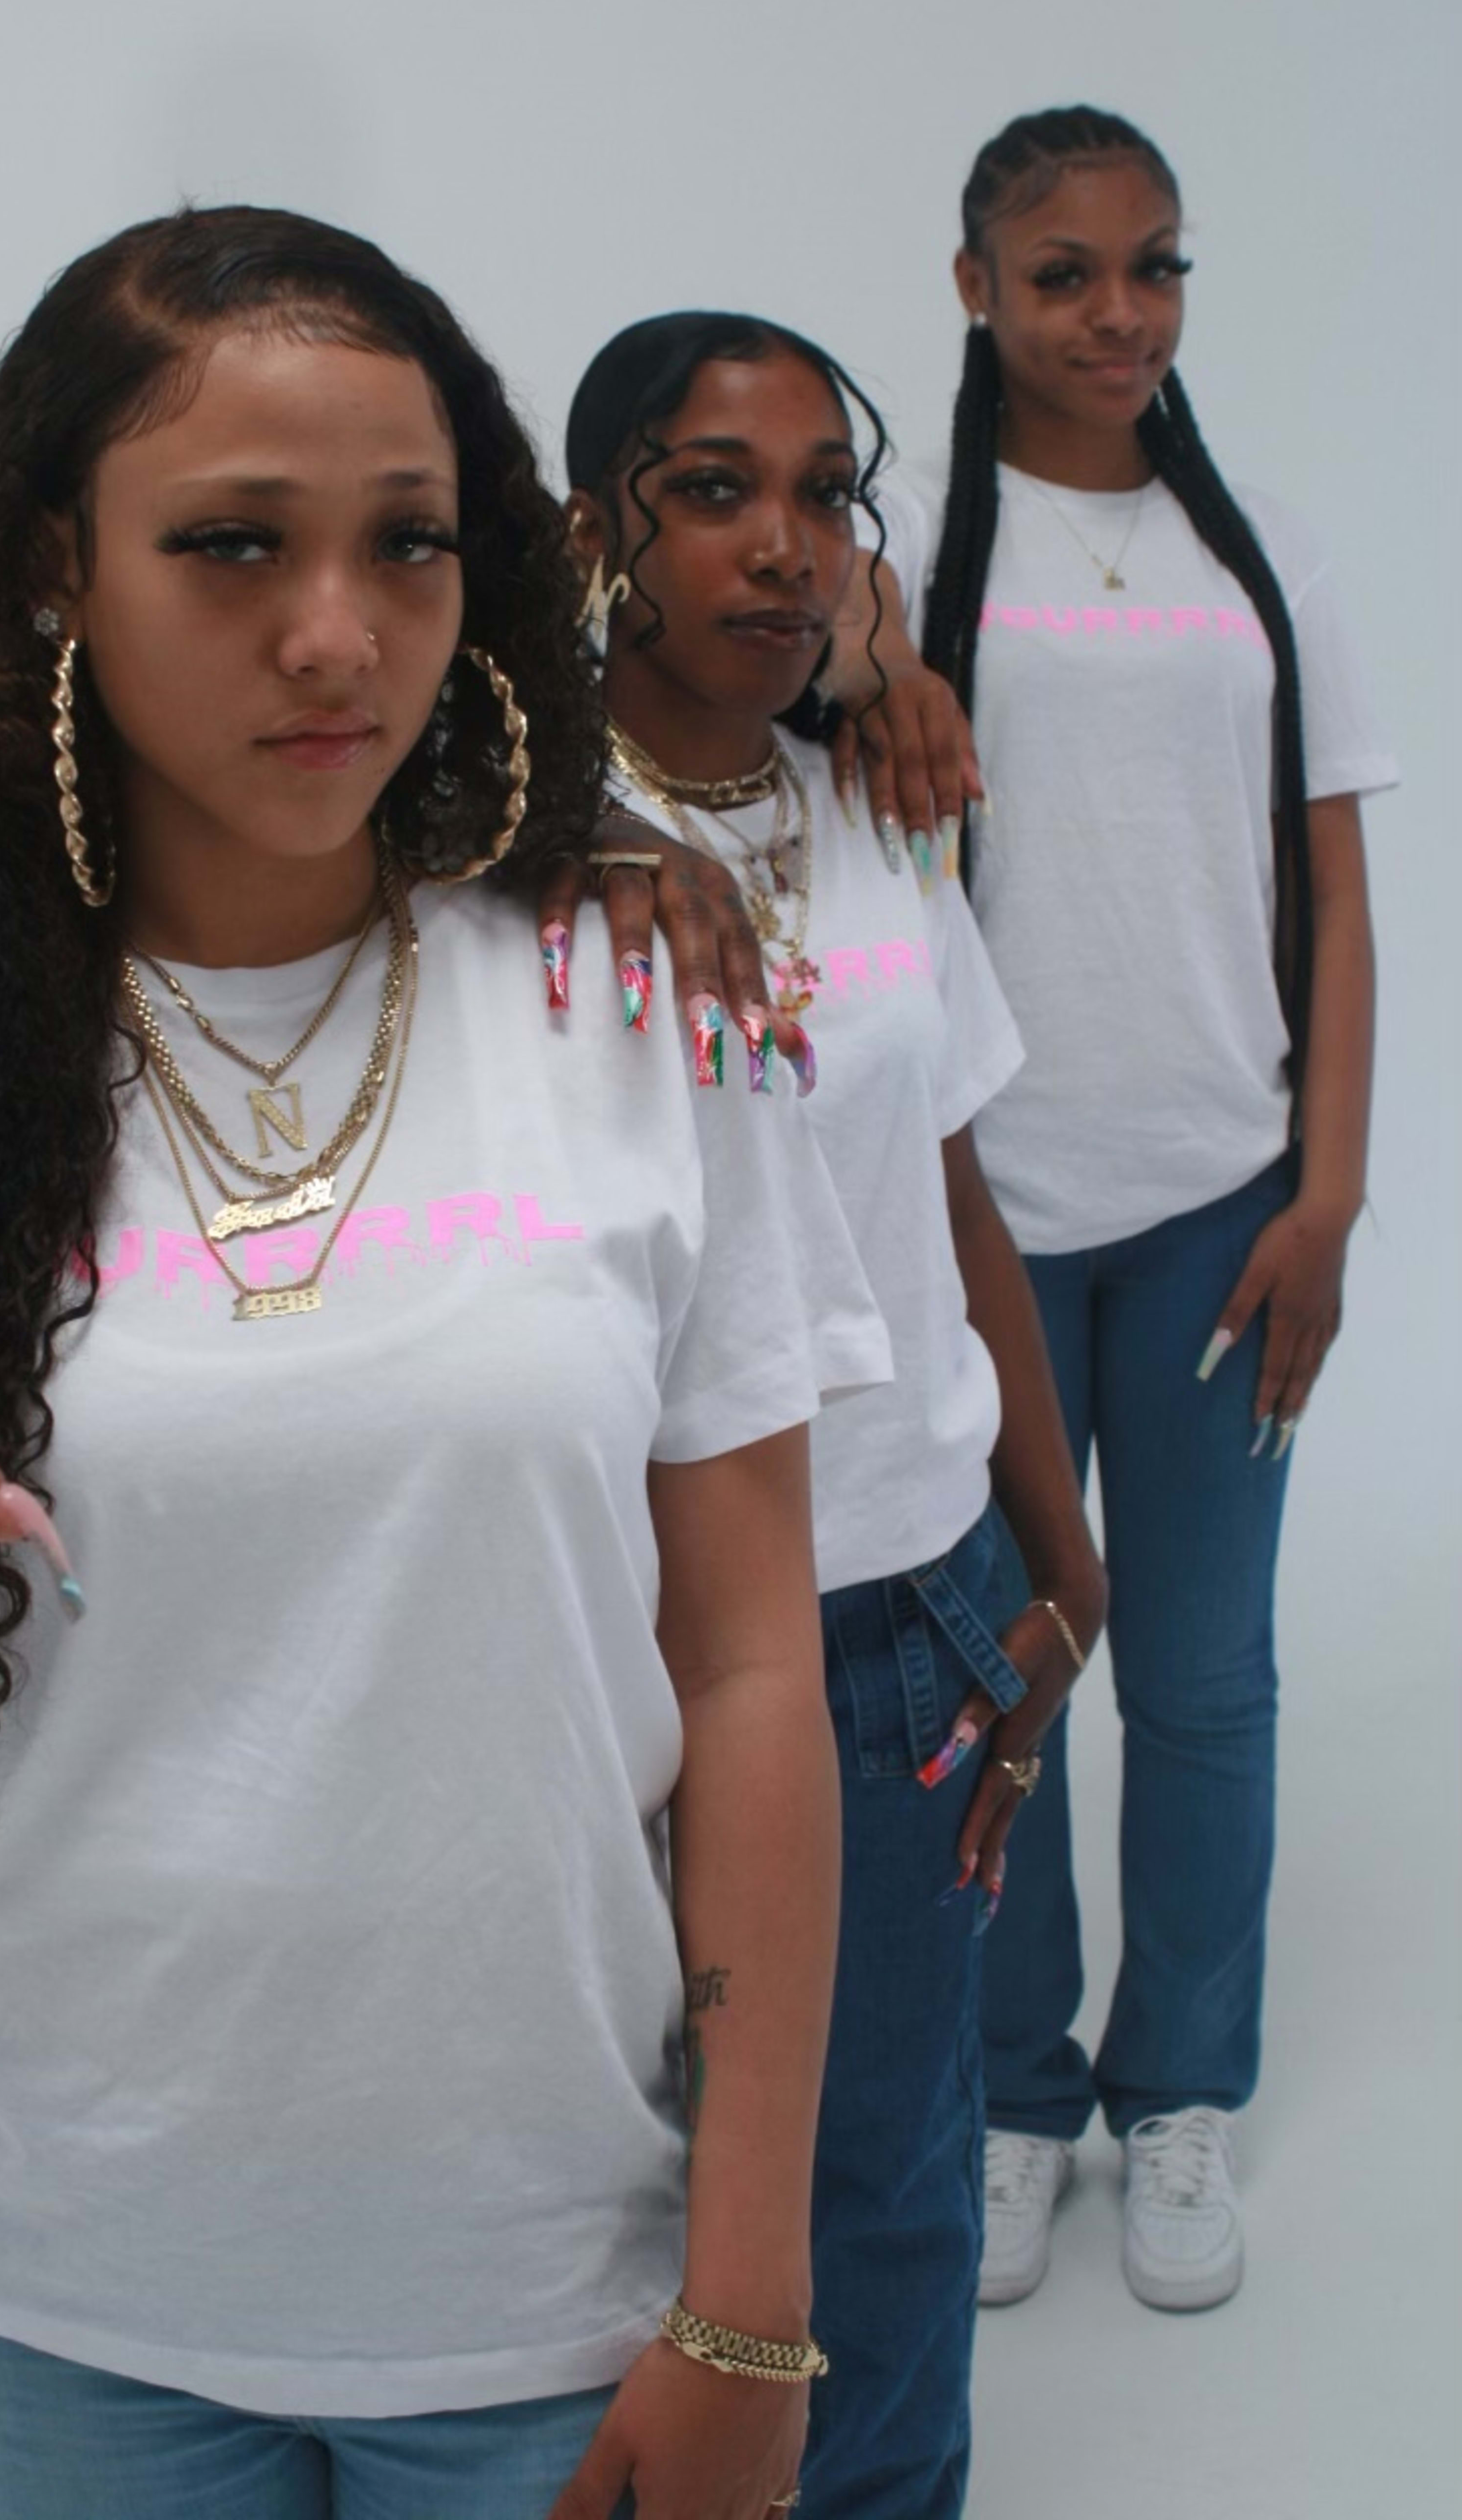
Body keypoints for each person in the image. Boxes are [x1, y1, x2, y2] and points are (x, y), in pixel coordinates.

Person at [0, 206, 899, 2520]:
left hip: (540, 2301)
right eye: (228, 545)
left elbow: (756, 1672)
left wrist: (748, 2299)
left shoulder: (640, 1007)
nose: (339, 637)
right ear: (48, 583)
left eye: (409, 545)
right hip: (54, 2303)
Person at [838, 107, 1397, 2313]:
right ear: (974, 288)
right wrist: (878, 676)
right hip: (977, 1210)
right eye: (1064, 272)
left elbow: (1340, 901)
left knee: (1210, 1676)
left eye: (1155, 267)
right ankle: (1008, 2092)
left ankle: (1174, 2094)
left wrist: (1328, 1196)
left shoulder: (1258, 567)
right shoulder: (905, 577)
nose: (1118, 313)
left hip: (1215, 1205)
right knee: (997, 1673)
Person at [562, 310, 1107, 2520]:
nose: (783, 546)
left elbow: (957, 1196)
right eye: (716, 487)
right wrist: (580, 825)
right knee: (617, 2221)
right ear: (605, 525)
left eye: (822, 494)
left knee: (879, 2210)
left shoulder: (870, 803)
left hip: (902, 1613)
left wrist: (1063, 1575)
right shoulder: (502, 844)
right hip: (621, 1641)